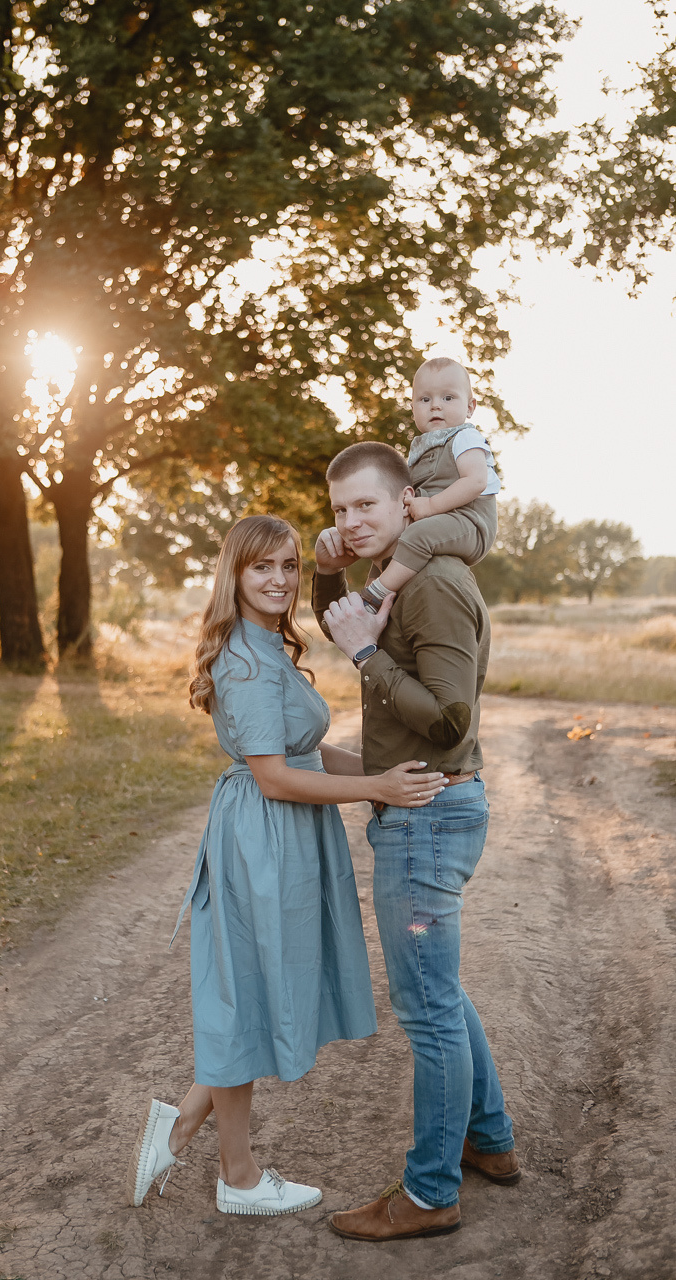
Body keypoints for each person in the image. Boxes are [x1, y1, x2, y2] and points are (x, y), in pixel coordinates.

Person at [126, 514, 448, 1218]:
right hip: (261, 840)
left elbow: (305, 752)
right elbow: (273, 776)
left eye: (289, 567)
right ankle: (234, 1178)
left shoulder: (268, 645)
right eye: (261, 568)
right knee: (247, 994)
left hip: (285, 836)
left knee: (255, 993)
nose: (278, 580)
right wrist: (375, 789)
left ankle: (183, 1128)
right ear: (234, 576)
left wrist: (385, 769)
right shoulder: (242, 660)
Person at [312, 441, 519, 1243]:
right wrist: (333, 578)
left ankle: (429, 1195)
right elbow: (351, 619)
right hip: (424, 811)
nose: (351, 521)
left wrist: (362, 654)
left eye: (367, 505)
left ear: (408, 503)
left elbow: (447, 718)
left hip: (428, 815)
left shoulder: (430, 582)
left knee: (427, 1011)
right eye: (338, 509)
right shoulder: (403, 575)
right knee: (441, 992)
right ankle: (489, 1142)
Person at [360, 357, 500, 614]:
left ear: (470, 407)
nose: (436, 406)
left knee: (418, 535)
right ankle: (365, 601)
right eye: (425, 400)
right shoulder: (420, 447)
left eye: (448, 398)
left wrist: (431, 505)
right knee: (390, 538)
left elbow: (475, 481)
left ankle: (377, 595)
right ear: (413, 409)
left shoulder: (465, 437)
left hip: (470, 522)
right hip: (437, 519)